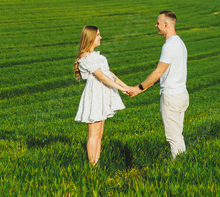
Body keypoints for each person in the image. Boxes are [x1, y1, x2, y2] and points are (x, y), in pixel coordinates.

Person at [129, 11, 189, 158]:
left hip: (171, 97)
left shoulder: (169, 46)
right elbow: (163, 73)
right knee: (177, 135)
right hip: (181, 94)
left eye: (158, 23)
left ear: (166, 25)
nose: (156, 25)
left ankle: (180, 168)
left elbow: (158, 72)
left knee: (173, 137)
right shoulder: (179, 43)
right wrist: (144, 88)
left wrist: (139, 88)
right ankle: (183, 163)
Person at [74, 25, 134, 167]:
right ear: (90, 38)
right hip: (94, 95)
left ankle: (97, 162)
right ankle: (92, 167)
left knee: (100, 133)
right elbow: (101, 77)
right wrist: (121, 88)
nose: (100, 37)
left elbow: (109, 74)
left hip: (103, 94)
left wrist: (126, 87)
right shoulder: (85, 57)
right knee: (93, 134)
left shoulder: (97, 56)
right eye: (98, 35)